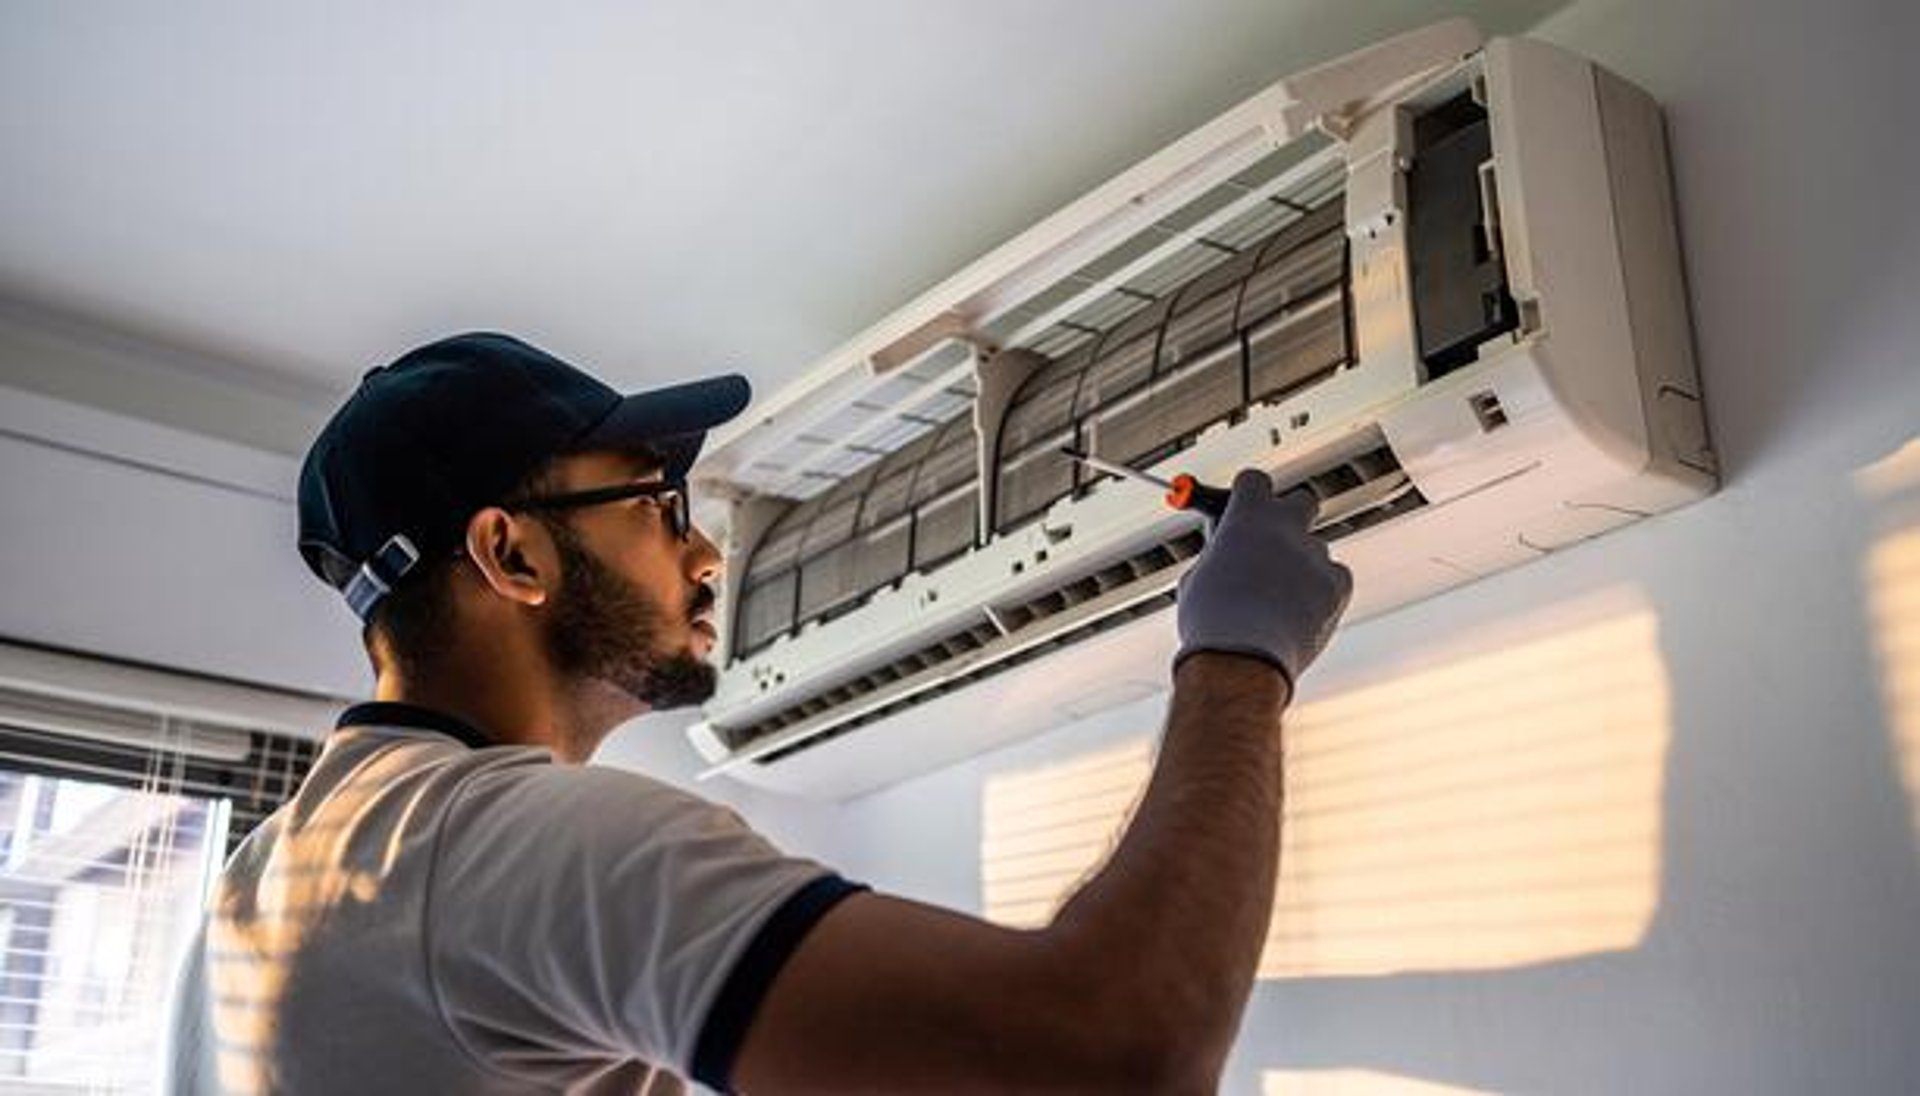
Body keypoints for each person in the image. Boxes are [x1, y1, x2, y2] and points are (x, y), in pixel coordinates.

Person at [164, 331, 1352, 1094]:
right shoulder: (506, 845)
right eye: (660, 503)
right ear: (509, 554)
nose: (707, 552)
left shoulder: (260, 889)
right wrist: (1241, 658)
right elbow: (1109, 1055)